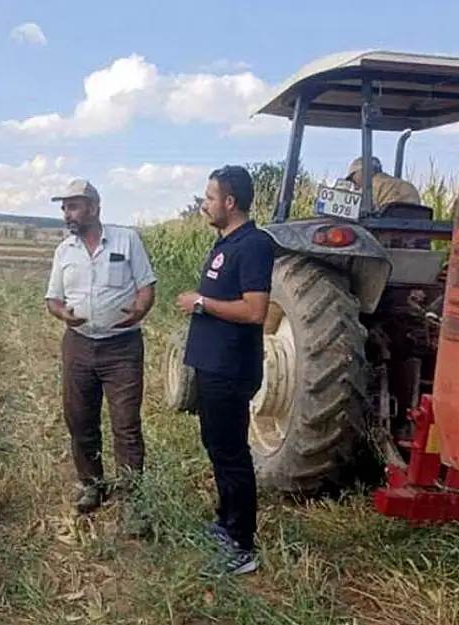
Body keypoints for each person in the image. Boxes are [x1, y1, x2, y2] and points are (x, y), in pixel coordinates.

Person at [175, 165, 273, 575]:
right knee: (217, 448)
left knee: (231, 453)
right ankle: (225, 522)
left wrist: (201, 303)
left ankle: (242, 546)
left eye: (210, 197)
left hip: (230, 370)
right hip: (213, 367)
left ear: (230, 203)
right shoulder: (224, 243)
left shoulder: (253, 245)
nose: (204, 204)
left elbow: (255, 311)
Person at [44, 179, 157, 515]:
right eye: (64, 207)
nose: (67, 214)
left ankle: (133, 500)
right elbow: (52, 298)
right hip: (78, 346)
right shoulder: (64, 251)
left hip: (122, 348)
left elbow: (146, 286)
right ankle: (91, 484)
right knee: (79, 420)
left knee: (126, 425)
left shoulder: (127, 240)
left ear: (93, 207)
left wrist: (140, 308)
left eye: (73, 206)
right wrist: (63, 313)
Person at [345, 156, 422, 210]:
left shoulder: (372, 187)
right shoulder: (407, 186)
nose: (354, 184)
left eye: (352, 178)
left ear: (363, 172)